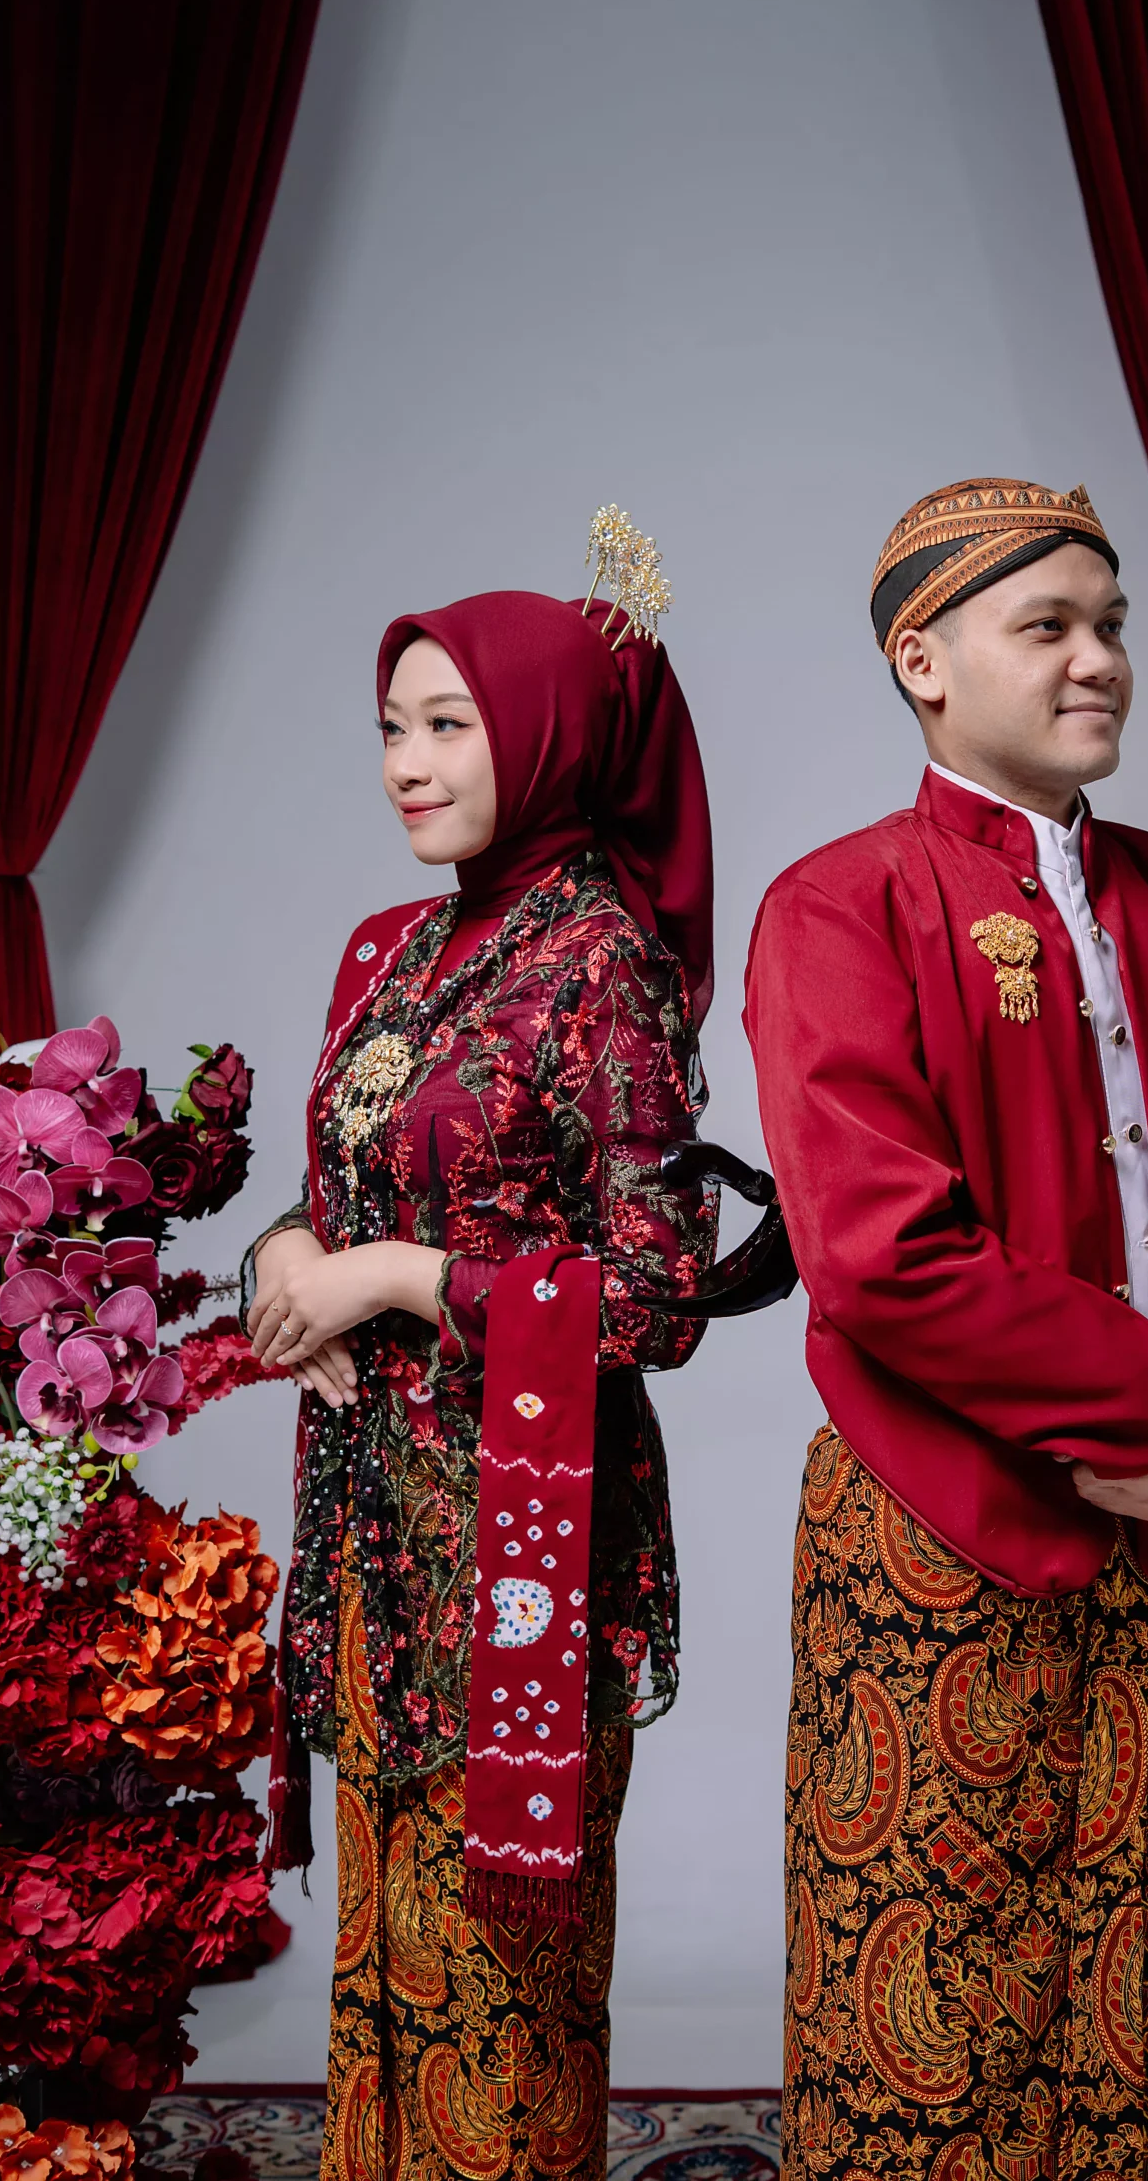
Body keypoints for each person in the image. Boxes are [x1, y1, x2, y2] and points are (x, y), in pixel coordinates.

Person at [743, 480, 1148, 2181]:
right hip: (936, 1536)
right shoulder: (838, 906)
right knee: (919, 2026)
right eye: (1045, 625)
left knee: (1119, 2000)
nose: (1098, 660)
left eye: (1111, 624)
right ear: (921, 660)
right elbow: (880, 1257)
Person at [246, 568, 718, 2181]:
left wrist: (395, 1280)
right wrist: (285, 1267)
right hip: (374, 1529)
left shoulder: (601, 965)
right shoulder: (392, 947)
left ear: (547, 730)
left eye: (448, 724)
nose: (406, 763)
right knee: (386, 1960)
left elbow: (658, 1294)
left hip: (524, 1540)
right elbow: (342, 1184)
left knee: (499, 1991)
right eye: (392, 726)